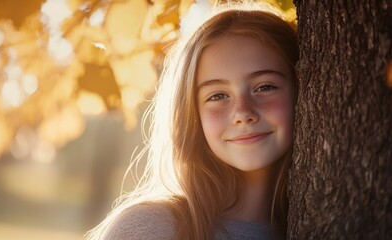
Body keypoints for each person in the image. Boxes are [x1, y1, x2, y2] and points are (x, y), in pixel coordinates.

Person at [88, 1, 298, 240]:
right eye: (218, 95)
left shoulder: (326, 222)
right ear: (192, 114)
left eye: (265, 87)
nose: (242, 112)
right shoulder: (152, 229)